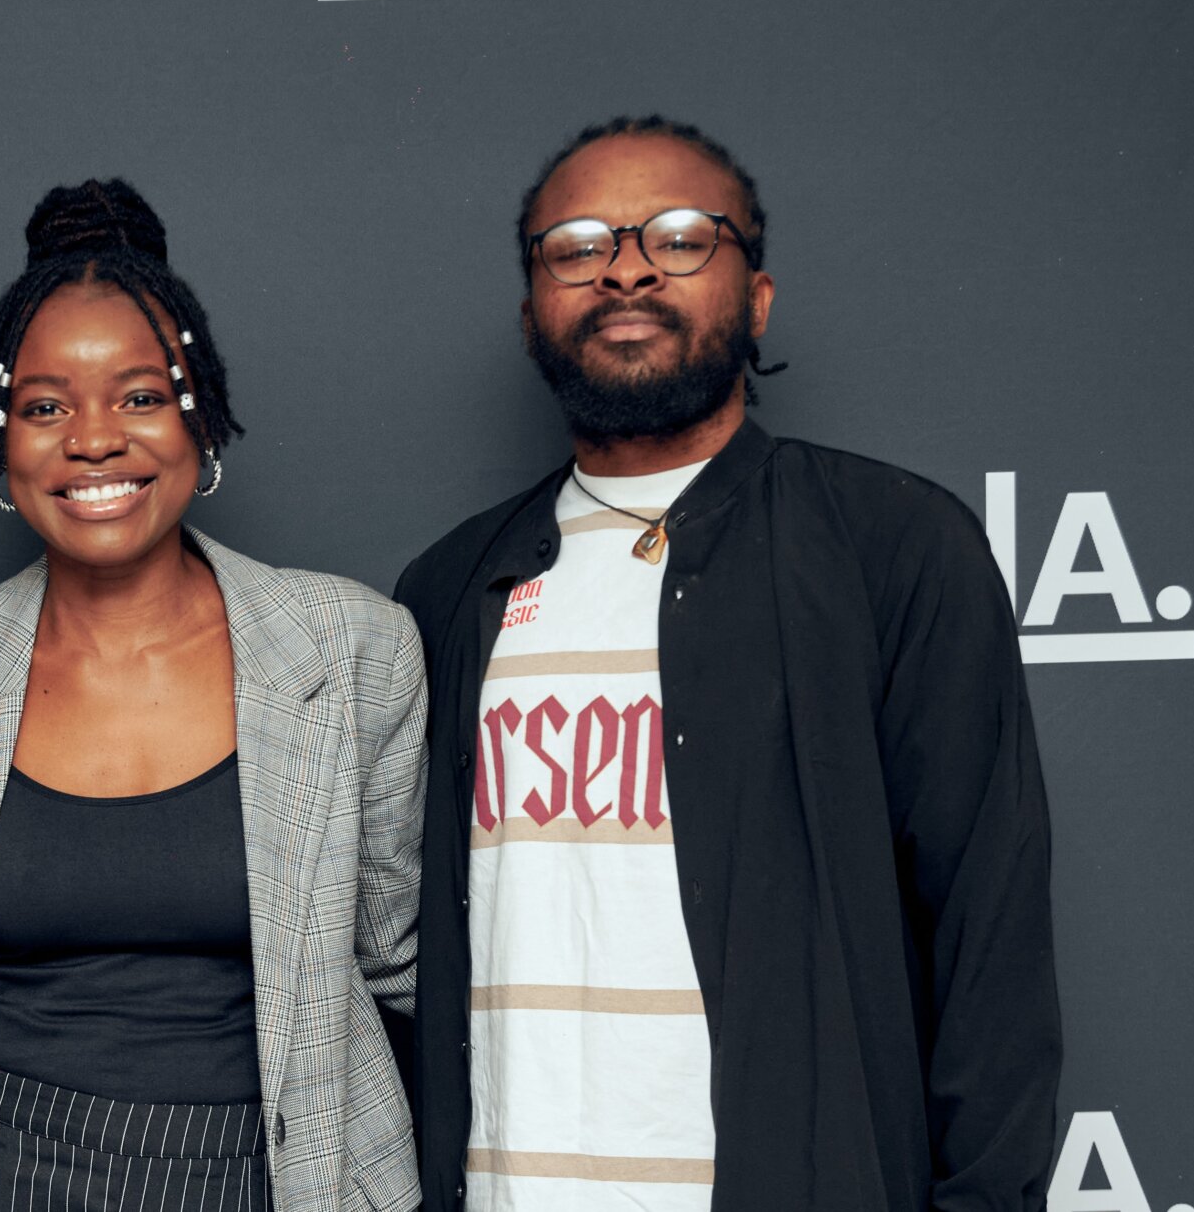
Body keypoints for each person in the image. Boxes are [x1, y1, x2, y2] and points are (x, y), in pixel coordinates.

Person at [393, 115, 1062, 1211]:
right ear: (530, 315)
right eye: (576, 245)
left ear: (755, 295)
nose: (625, 266)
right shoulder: (449, 588)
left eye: (681, 236)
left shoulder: (891, 547)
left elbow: (988, 937)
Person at [0, 180, 427, 1212]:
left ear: (197, 417)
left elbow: (402, 962)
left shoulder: (352, 650)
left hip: (273, 1180)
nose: (92, 439)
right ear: (3, 443)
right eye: (43, 406)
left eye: (139, 396)